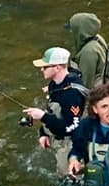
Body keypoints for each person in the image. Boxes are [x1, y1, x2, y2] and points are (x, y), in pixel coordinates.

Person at [23, 47, 88, 179]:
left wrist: (42, 117)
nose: (42, 69)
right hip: (58, 139)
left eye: (45, 67)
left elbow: (71, 127)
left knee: (70, 179)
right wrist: (43, 133)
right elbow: (53, 112)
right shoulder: (54, 85)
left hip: (72, 144)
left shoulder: (72, 94)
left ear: (58, 68)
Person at [66, 12, 109, 91]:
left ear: (80, 30)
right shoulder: (98, 38)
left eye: (73, 29)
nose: (71, 32)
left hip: (96, 92)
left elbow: (85, 85)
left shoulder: (88, 52)